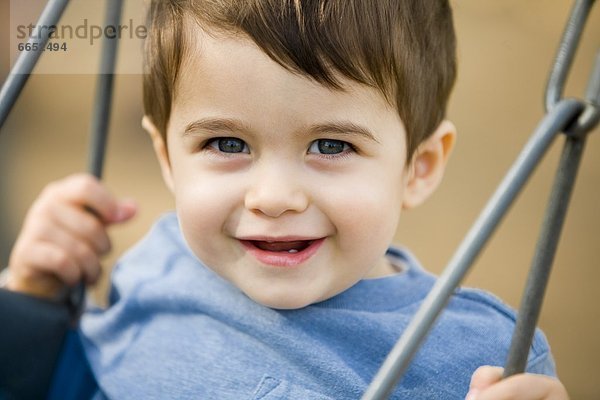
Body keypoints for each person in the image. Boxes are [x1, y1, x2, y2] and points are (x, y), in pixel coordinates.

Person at [3, 1, 569, 398]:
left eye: (330, 145)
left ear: (418, 168)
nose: (273, 198)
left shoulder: (478, 358)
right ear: (168, 158)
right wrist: (31, 303)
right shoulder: (159, 264)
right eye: (227, 143)